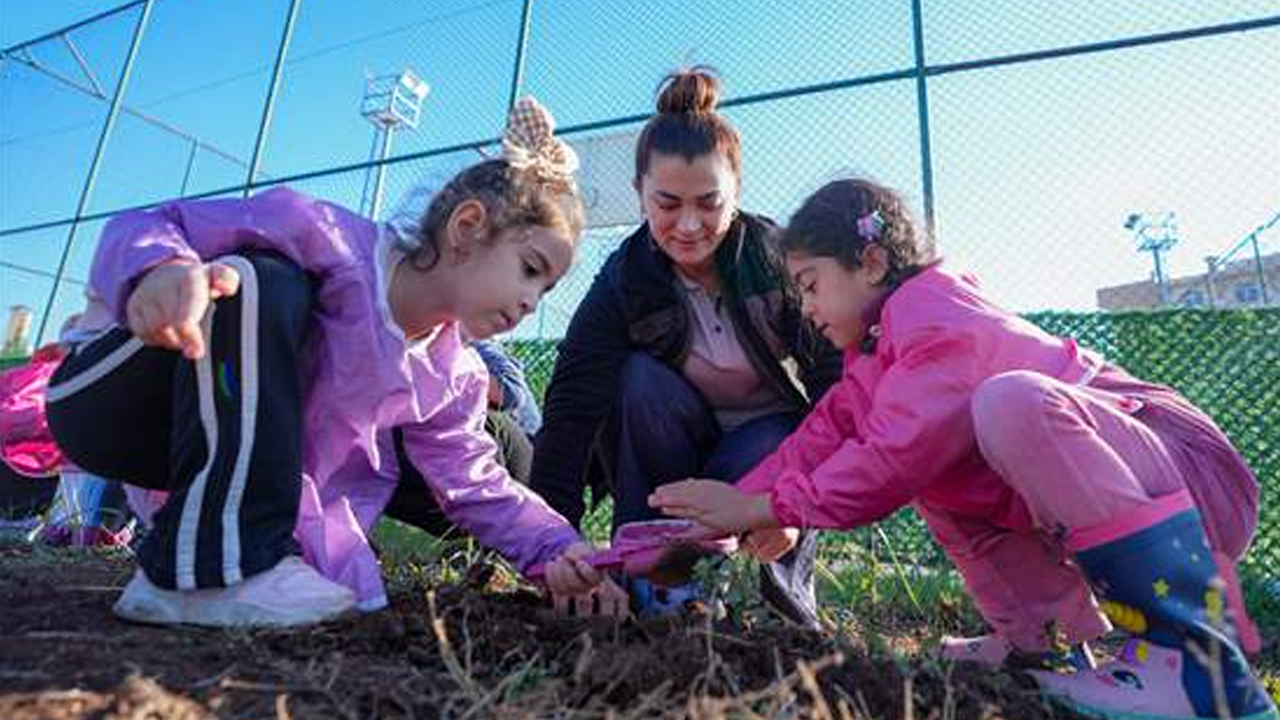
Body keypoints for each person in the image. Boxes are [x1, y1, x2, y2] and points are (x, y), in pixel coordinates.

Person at [651, 178, 1276, 720]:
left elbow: (886, 463)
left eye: (810, 285)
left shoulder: (933, 314)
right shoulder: (872, 357)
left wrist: (769, 509)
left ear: (870, 263)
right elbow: (824, 436)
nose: (805, 308)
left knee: (1008, 405)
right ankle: (1036, 638)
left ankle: (1197, 667)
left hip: (1190, 474)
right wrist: (735, 505)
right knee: (945, 464)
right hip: (1139, 477)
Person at [44, 97, 617, 628]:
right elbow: (152, 222)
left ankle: (212, 567)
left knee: (264, 289)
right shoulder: (326, 237)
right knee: (260, 279)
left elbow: (475, 480)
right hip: (117, 394)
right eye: (531, 269)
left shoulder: (451, 373)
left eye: (547, 289)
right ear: (467, 228)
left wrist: (557, 548)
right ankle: (212, 569)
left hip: (199, 458)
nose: (531, 301)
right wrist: (161, 271)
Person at [528, 68, 843, 625]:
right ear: (640, 194)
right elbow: (573, 405)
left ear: (737, 193)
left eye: (709, 203)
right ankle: (645, 576)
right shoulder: (626, 278)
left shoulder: (777, 260)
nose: (690, 225)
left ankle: (786, 607)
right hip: (671, 441)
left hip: (760, 445)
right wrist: (556, 541)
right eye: (668, 204)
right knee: (636, 381)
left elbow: (837, 387)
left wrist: (794, 505)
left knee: (789, 432)